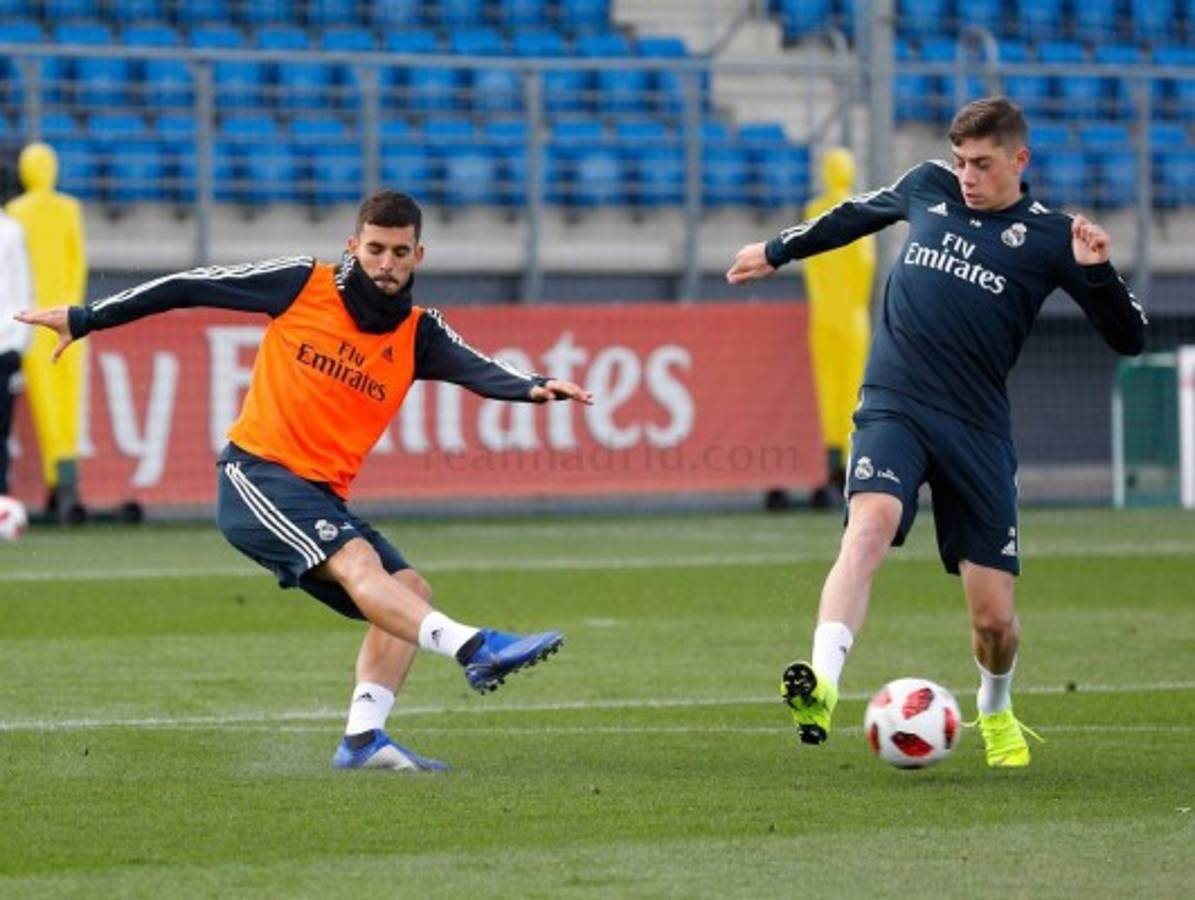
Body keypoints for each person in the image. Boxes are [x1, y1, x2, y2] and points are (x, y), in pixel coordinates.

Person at [16, 190, 593, 771]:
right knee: (360, 561)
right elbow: (191, 284)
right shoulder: (301, 283)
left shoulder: (420, 334)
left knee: (410, 592)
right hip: (256, 475)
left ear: (418, 254)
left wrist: (533, 385)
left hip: (321, 495)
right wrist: (88, 318)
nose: (385, 263)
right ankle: (476, 646)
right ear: (353, 246)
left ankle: (363, 740)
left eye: (399, 251)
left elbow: (480, 367)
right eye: (374, 249)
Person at [726, 98, 1146, 768]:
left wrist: (1096, 276)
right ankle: (822, 686)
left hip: (975, 430)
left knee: (992, 621)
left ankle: (994, 706)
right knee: (867, 527)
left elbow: (1130, 339)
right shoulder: (928, 188)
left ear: (1018, 159)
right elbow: (852, 217)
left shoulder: (1050, 238)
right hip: (892, 403)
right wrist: (776, 250)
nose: (966, 176)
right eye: (958, 162)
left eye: (980, 164)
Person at [6, 143, 89, 521]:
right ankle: (65, 486)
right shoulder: (70, 209)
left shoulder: (16, 214)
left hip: (32, 321)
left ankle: (56, 488)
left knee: (43, 410)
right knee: (67, 408)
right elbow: (78, 265)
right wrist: (74, 310)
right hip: (70, 320)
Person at [0, 204, 33, 496]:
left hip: (3, 346)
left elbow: (22, 289)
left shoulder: (10, 231)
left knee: (1, 429)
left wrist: (18, 343)